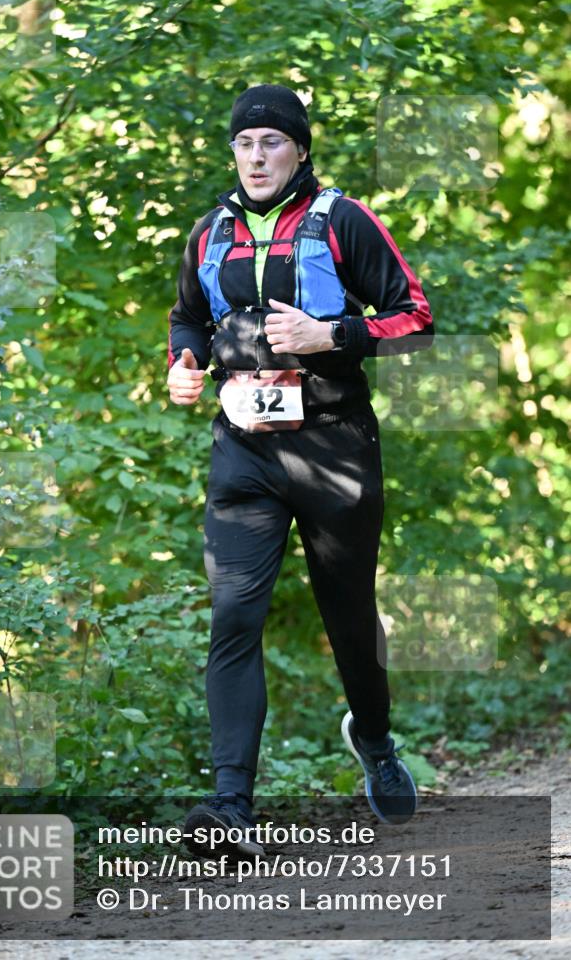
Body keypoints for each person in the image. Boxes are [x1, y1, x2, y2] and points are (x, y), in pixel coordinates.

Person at [166, 84, 434, 860]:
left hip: (333, 447)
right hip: (243, 450)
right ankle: (230, 807)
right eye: (244, 143)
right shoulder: (209, 232)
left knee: (347, 619)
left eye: (271, 142)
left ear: (299, 150)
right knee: (232, 615)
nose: (255, 157)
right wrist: (184, 363)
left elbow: (415, 319)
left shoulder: (341, 220)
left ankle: (374, 740)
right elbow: (188, 318)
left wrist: (332, 335)